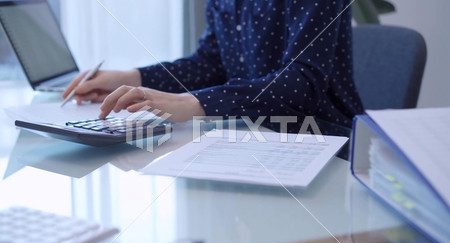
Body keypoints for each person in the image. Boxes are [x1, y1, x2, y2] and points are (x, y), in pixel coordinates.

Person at [63, 0, 363, 132]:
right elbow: (212, 63)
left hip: (323, 135)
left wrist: (195, 102)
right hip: (253, 131)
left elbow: (303, 81)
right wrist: (132, 77)